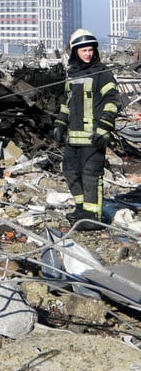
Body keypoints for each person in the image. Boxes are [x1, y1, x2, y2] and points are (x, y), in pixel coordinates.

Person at [51, 29, 121, 230]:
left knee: (91, 174)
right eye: (84, 50)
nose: (88, 54)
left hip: (94, 136)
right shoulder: (72, 75)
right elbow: (67, 103)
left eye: (91, 50)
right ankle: (82, 208)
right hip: (74, 137)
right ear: (75, 52)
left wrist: (104, 128)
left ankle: (93, 217)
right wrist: (60, 124)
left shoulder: (103, 73)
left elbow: (113, 101)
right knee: (70, 171)